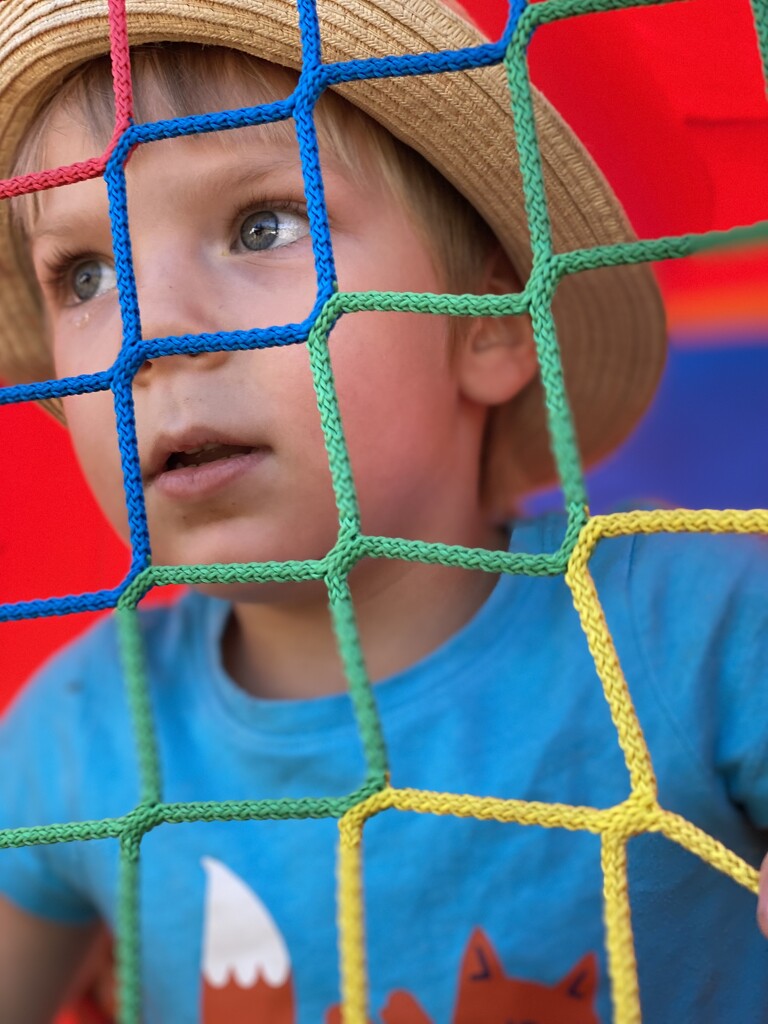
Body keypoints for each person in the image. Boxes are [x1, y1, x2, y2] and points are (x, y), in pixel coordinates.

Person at [0, 0, 766, 1022]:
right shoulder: (81, 734)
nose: (153, 337)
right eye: (85, 273)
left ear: (491, 320)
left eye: (261, 224)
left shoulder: (693, 627)